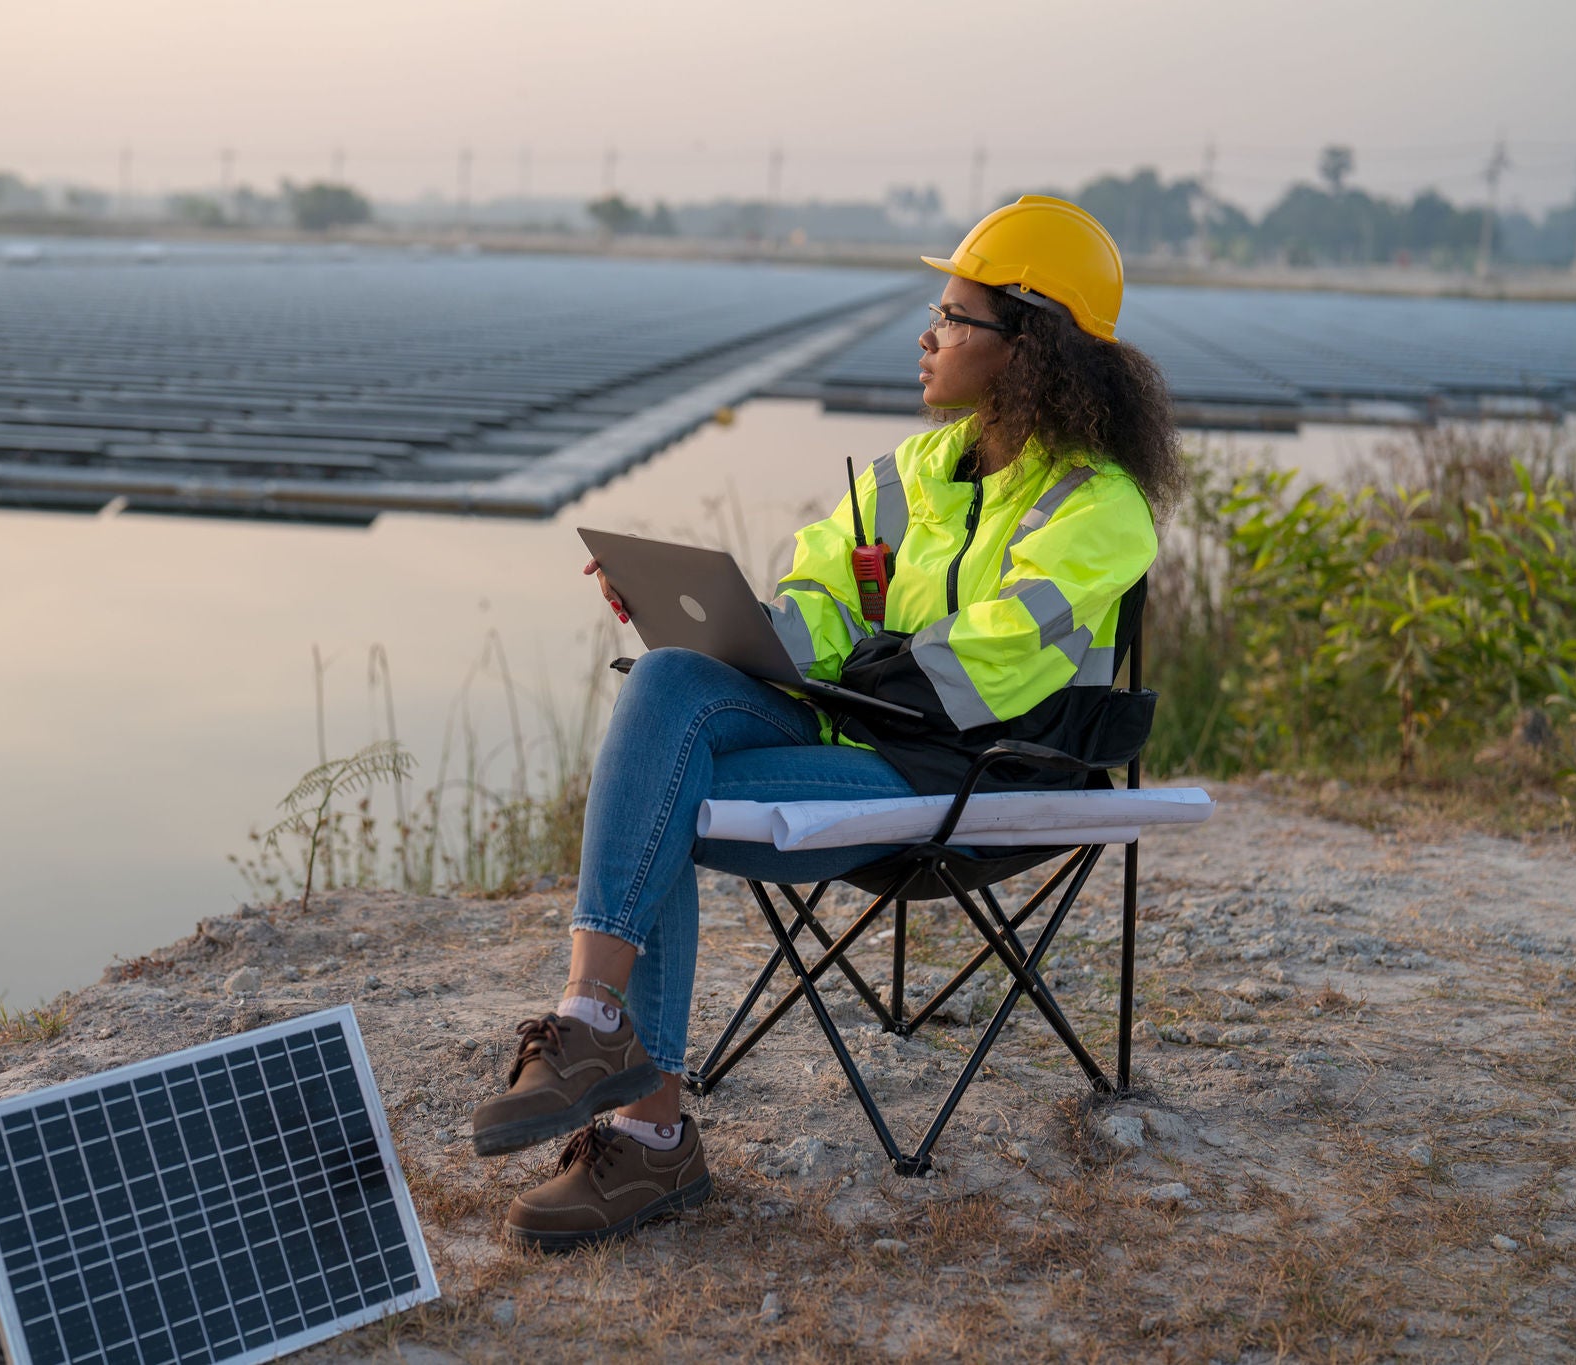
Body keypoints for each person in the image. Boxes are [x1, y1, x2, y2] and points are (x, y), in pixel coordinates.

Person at [469, 196, 1185, 1251]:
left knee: (661, 797)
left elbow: (991, 659)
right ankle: (593, 1027)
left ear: (1025, 345)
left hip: (963, 775)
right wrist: (740, 635)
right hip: (857, 743)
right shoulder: (905, 478)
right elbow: (811, 601)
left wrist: (842, 665)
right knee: (668, 679)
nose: (926, 335)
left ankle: (650, 1136)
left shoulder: (1100, 506)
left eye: (952, 315)